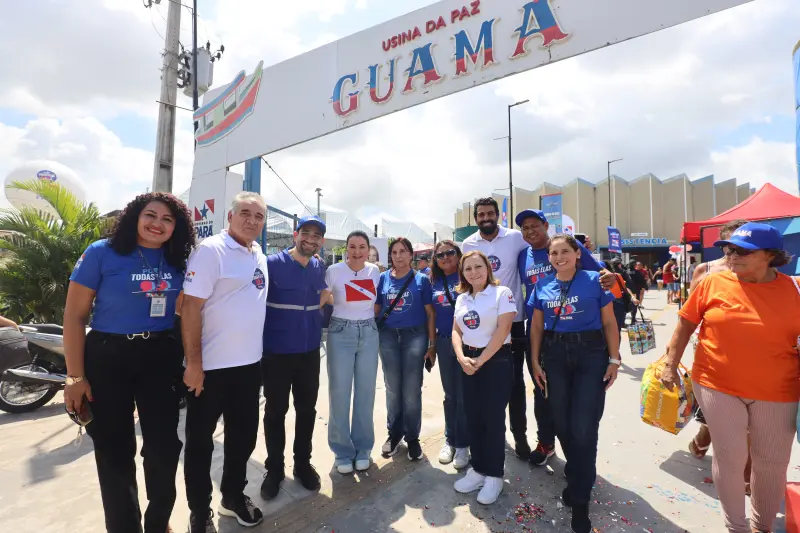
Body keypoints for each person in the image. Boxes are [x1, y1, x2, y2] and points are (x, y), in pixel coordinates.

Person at [63, 192, 195, 533]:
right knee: (113, 449)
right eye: (150, 215)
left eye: (167, 219)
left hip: (160, 356)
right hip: (108, 355)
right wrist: (74, 377)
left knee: (164, 447)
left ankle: (158, 523)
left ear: (176, 227)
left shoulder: (179, 260)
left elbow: (192, 310)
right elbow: (74, 316)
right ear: (135, 216)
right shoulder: (101, 252)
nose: (157, 224)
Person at [662, 222, 799, 533]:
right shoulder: (712, 282)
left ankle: (762, 526)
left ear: (770, 255)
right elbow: (685, 324)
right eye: (729, 249)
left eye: (743, 251)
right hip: (717, 383)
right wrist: (671, 364)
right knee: (731, 457)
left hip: (779, 389)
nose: (732, 256)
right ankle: (736, 527)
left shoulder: (795, 289)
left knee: (772, 463)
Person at [182, 192, 268, 532]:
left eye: (259, 216)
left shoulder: (258, 254)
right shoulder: (211, 251)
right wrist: (193, 364)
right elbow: (190, 308)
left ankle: (232, 497)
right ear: (229, 217)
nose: (252, 220)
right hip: (210, 370)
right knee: (200, 443)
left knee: (242, 439)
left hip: (249, 367)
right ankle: (199, 510)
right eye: (245, 213)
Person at [529, 233, 621, 533]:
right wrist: (535, 361)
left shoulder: (596, 281)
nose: (559, 258)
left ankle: (581, 501)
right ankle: (581, 471)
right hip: (555, 356)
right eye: (553, 253)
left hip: (591, 355)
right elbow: (537, 327)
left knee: (583, 427)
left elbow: (609, 322)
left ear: (577, 253)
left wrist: (614, 359)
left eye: (565, 251)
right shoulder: (541, 285)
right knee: (562, 424)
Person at [515, 209, 613, 466]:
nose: (530, 231)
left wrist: (611, 277)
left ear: (546, 225)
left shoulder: (567, 247)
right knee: (543, 391)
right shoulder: (522, 255)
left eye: (535, 225)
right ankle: (546, 442)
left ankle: (579, 453)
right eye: (525, 228)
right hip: (540, 332)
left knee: (577, 401)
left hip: (579, 336)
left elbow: (602, 276)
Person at [260, 216, 328, 499]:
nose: (310, 239)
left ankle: (302, 464)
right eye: (306, 233)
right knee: (276, 412)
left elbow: (325, 296)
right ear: (295, 235)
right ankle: (274, 469)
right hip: (276, 353)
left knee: (307, 410)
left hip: (309, 353)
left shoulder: (319, 267)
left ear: (321, 242)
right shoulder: (270, 264)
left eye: (316, 236)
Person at [462, 198, 530, 457]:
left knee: (514, 383)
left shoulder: (515, 238)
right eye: (481, 214)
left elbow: (543, 250)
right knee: (483, 383)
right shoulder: (468, 244)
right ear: (475, 218)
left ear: (498, 215)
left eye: (490, 213)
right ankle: (491, 437)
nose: (486, 218)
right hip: (481, 324)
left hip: (513, 322)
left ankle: (520, 436)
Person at [685, 220, 751, 490]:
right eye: (729, 245)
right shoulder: (706, 270)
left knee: (747, 411)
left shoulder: (758, 270)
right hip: (711, 346)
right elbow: (690, 313)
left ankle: (747, 473)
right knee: (719, 404)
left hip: (751, 348)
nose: (735, 251)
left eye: (742, 245)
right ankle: (706, 433)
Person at [451, 250, 517, 505]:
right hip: (468, 361)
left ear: (488, 268)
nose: (473, 272)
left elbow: (503, 329)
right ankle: (478, 469)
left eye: (478, 266)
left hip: (495, 361)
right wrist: (461, 357)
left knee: (492, 419)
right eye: (468, 268)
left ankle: (494, 475)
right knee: (473, 417)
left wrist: (480, 361)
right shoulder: (462, 298)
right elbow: (456, 330)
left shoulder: (502, 293)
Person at [323, 230, 382, 474]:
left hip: (368, 333)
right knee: (339, 393)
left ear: (368, 250)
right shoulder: (333, 271)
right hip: (340, 333)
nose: (357, 252)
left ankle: (363, 448)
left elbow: (376, 303)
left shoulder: (375, 271)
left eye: (362, 247)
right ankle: (342, 452)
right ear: (345, 248)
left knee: (365, 393)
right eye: (352, 246)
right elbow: (324, 297)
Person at [375, 237, 436, 461]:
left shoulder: (422, 280)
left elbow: (430, 313)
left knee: (411, 390)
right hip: (388, 337)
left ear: (411, 255)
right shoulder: (383, 278)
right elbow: (376, 308)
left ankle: (412, 437)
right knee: (392, 388)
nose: (398, 256)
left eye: (403, 251)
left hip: (415, 336)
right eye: (394, 252)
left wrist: (432, 345)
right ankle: (394, 433)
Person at [430, 240, 470, 469]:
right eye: (440, 255)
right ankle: (450, 440)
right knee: (450, 395)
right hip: (444, 342)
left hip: (469, 343)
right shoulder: (432, 281)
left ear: (458, 254)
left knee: (465, 395)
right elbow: (431, 316)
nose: (445, 257)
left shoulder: (468, 276)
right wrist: (431, 345)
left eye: (449, 253)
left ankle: (464, 444)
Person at [607, 258, 640, 336]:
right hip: (617, 302)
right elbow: (627, 286)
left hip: (615, 303)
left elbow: (625, 287)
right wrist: (633, 296)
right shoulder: (620, 274)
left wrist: (632, 296)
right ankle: (631, 320)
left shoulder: (619, 275)